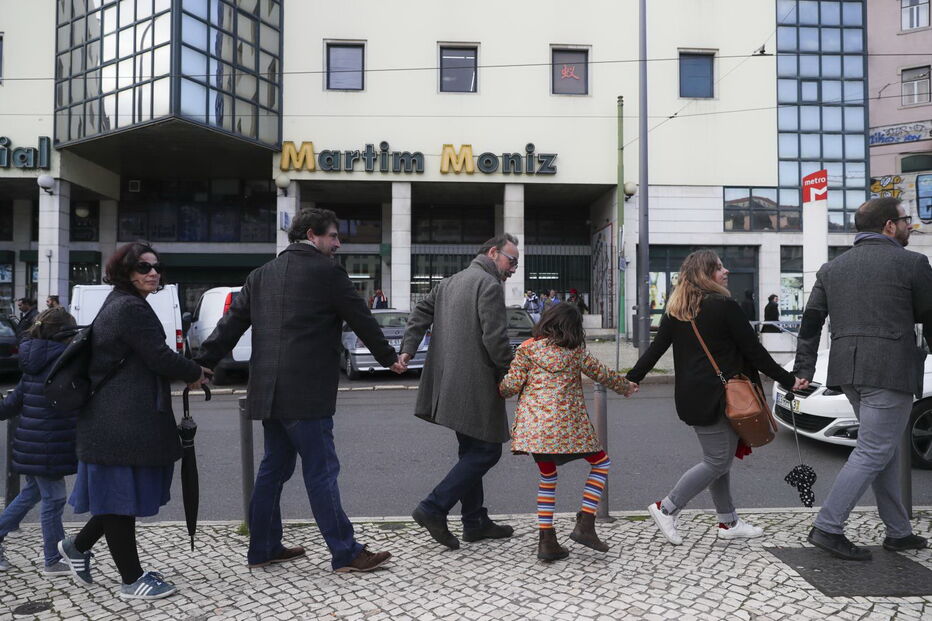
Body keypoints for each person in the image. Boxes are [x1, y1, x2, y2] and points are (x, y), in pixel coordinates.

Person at [196, 208, 399, 573]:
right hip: (307, 394)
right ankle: (346, 552)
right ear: (312, 234)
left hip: (267, 392)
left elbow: (231, 324)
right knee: (321, 472)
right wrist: (389, 358)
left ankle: (263, 548)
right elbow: (361, 318)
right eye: (334, 236)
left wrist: (203, 362)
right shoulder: (327, 272)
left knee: (273, 469)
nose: (337, 244)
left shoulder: (260, 275)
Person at [57, 242, 209, 600]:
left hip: (116, 421)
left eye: (156, 267)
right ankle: (131, 580)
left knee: (116, 497)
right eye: (143, 267)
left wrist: (189, 370)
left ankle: (77, 548)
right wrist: (194, 372)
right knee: (116, 501)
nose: (153, 272)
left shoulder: (123, 303)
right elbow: (157, 355)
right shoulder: (129, 307)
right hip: (117, 422)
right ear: (126, 271)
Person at [625, 249, 805, 546]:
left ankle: (729, 521)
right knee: (718, 460)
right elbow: (754, 351)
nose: (726, 272)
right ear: (705, 274)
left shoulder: (677, 310)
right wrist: (788, 380)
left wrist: (634, 378)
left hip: (695, 396)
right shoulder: (724, 306)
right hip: (722, 395)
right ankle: (666, 508)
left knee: (720, 460)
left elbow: (655, 350)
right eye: (719, 268)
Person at [794, 198, 932, 561]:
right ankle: (828, 526)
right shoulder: (913, 263)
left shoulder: (831, 268)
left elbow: (810, 323)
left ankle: (898, 532)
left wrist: (804, 370)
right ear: (889, 225)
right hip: (889, 370)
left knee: (882, 450)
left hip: (847, 371)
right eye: (905, 220)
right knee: (873, 450)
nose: (909, 226)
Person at [398, 234, 519, 550]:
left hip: (448, 384)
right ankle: (433, 507)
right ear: (493, 253)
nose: (514, 269)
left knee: (470, 451)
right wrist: (516, 373)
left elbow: (419, 313)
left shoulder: (449, 283)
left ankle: (474, 521)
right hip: (476, 386)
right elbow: (495, 341)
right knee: (487, 451)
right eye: (511, 260)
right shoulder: (488, 285)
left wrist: (408, 349)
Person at [499, 303, 635, 561]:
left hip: (535, 430)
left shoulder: (527, 349)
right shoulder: (576, 352)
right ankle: (585, 523)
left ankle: (547, 541)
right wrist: (626, 387)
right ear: (574, 328)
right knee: (601, 463)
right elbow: (603, 374)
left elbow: (510, 387)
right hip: (568, 428)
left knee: (548, 477)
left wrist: (497, 386)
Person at [0, 308, 79, 575]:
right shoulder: (62, 361)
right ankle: (53, 559)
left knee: (31, 494)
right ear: (64, 334)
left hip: (32, 444)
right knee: (54, 499)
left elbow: (14, 402)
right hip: (48, 446)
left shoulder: (32, 361)